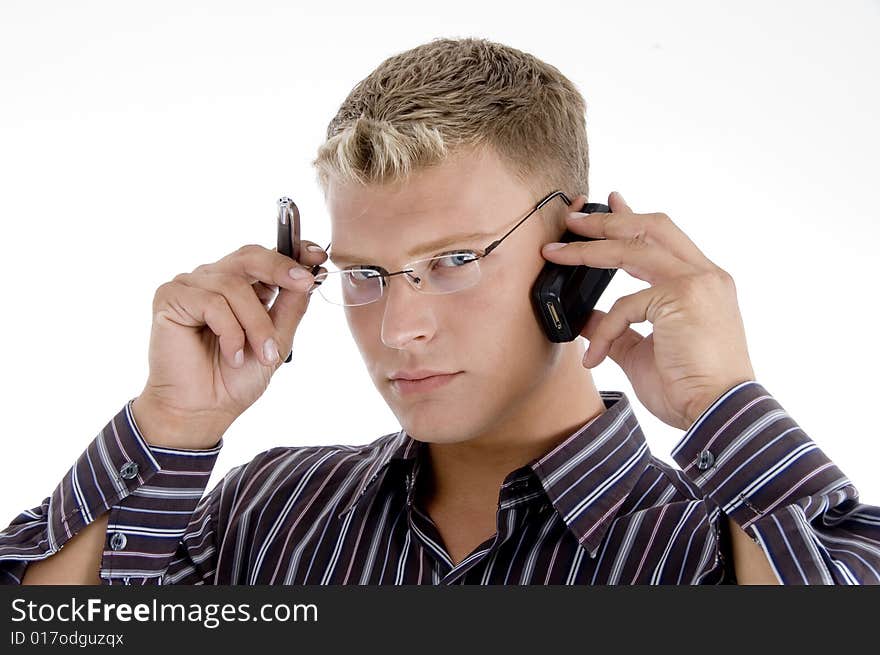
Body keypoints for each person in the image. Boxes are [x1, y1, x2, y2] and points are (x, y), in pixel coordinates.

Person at [2, 37, 878, 586]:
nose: (397, 330)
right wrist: (173, 422)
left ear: (576, 257)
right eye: (367, 273)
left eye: (453, 261)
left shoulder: (724, 544)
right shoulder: (269, 512)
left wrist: (724, 404)